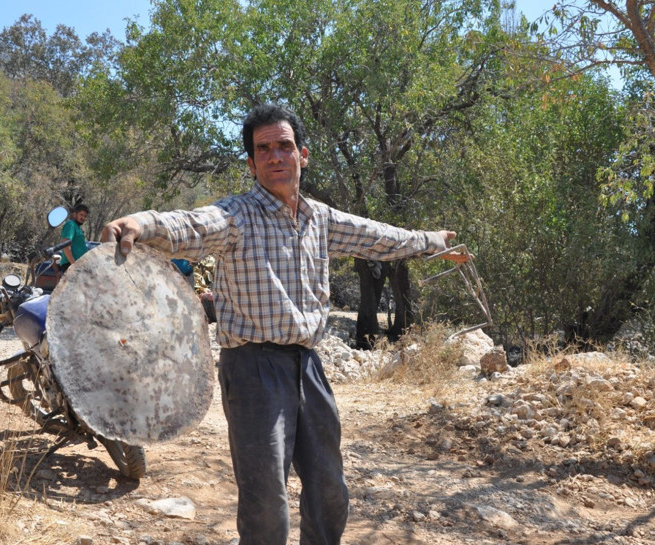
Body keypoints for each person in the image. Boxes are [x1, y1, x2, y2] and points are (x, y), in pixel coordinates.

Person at [102, 104, 471, 545]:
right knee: (265, 503)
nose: (276, 156)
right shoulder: (237, 216)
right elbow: (190, 224)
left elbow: (379, 237)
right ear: (252, 163)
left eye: (284, 146)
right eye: (264, 149)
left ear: (303, 155)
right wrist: (140, 223)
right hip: (253, 369)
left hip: (309, 368)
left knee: (329, 491)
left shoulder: (321, 219)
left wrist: (431, 243)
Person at [59, 204, 90, 271]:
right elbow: (65, 245)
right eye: (81, 215)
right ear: (75, 214)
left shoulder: (77, 227)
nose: (83, 218)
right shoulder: (70, 224)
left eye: (85, 216)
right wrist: (74, 265)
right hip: (70, 266)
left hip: (77, 266)